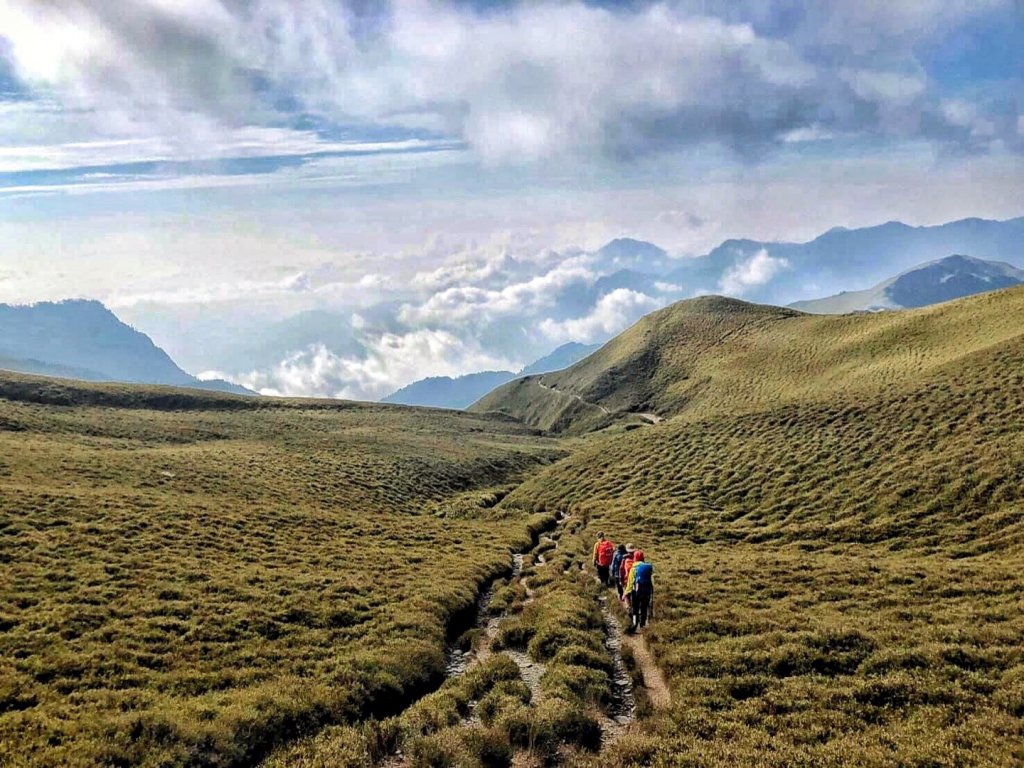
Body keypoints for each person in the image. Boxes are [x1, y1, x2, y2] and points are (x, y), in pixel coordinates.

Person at [626, 550, 654, 631]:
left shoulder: (633, 568)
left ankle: (635, 623)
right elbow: (652, 580)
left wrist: (627, 592)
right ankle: (643, 624)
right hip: (646, 591)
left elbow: (630, 583)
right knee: (644, 607)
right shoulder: (648, 567)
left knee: (635, 608)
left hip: (636, 592)